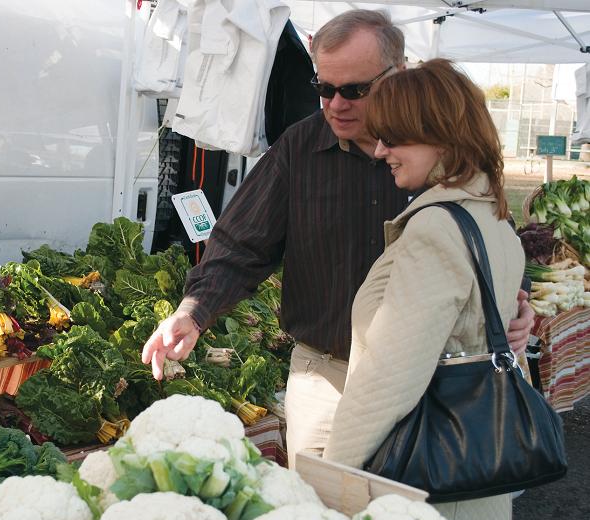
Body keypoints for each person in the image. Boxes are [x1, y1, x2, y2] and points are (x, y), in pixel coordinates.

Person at [141, 9, 534, 467]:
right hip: (325, 377)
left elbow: (487, 243)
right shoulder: (300, 146)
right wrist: (194, 310)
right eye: (324, 88)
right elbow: (241, 244)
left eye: (354, 90)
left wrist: (511, 302)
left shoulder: (442, 158)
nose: (335, 105)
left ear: (398, 73)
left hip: (434, 382)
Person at [321, 58, 522, 520]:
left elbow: (391, 375)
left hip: (432, 482)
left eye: (395, 137)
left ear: (443, 136)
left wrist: (330, 479)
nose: (382, 150)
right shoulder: (489, 214)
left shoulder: (436, 228)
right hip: (475, 467)